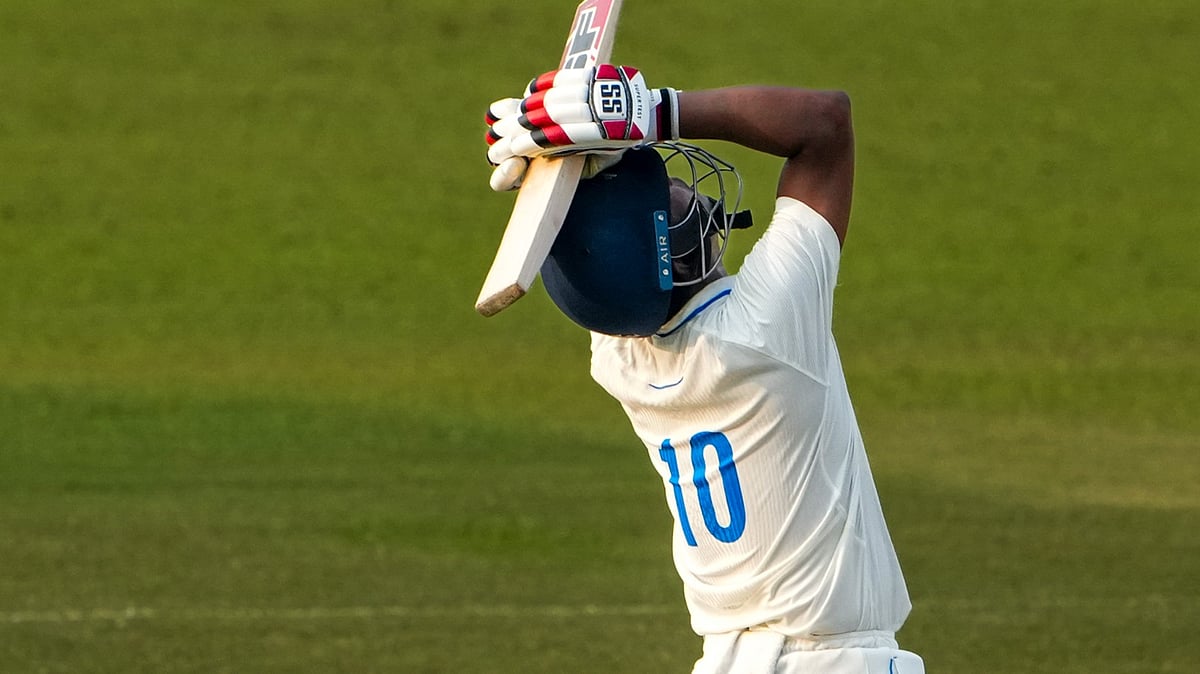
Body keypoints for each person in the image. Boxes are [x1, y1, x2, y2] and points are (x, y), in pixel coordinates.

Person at [485, 65, 925, 674]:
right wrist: (654, 111)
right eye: (664, 192)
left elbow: (596, 269)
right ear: (675, 249)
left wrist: (563, 183)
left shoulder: (617, 354)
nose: (680, 183)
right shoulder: (766, 331)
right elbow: (823, 123)